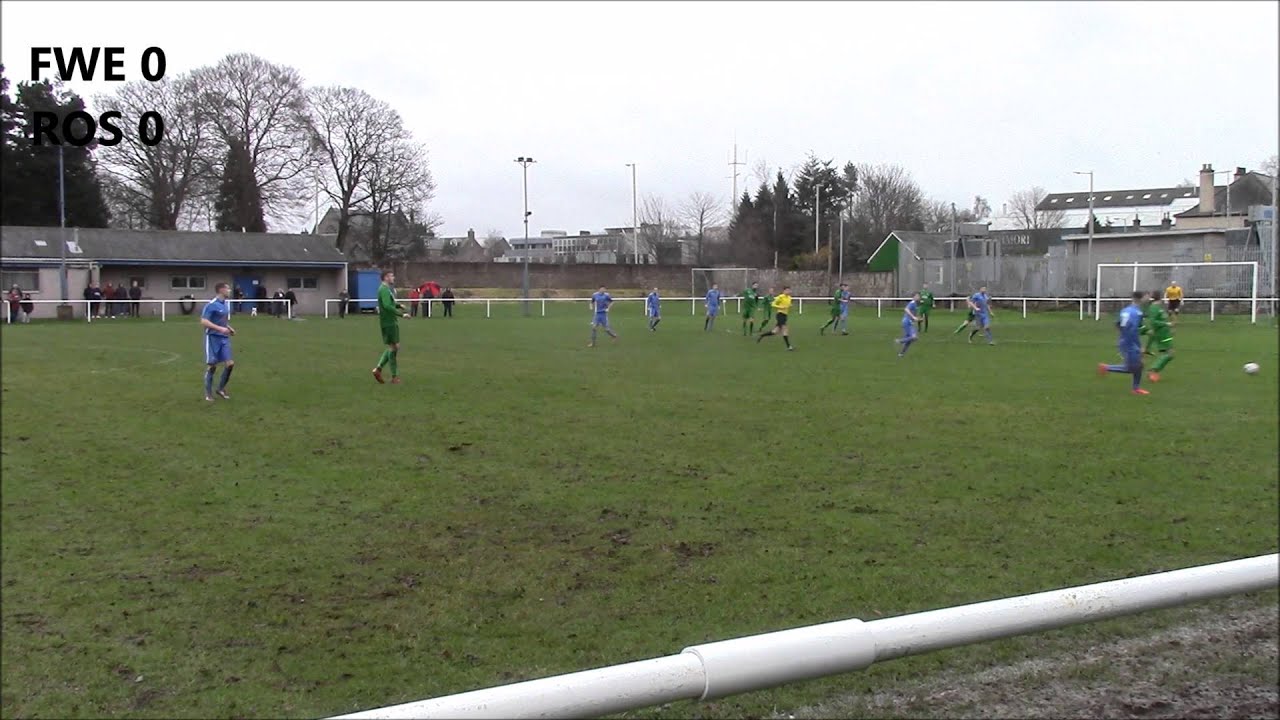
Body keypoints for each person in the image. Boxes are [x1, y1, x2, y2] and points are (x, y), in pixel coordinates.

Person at [1097, 291, 1150, 396]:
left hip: (1124, 340)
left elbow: (1117, 324)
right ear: (1141, 299)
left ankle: (1136, 389)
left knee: (1139, 365)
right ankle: (1106, 367)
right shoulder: (1137, 313)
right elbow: (1133, 330)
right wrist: (1139, 346)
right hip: (1130, 342)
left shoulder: (1125, 310)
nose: (1148, 299)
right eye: (1147, 297)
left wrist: (1123, 335)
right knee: (1131, 368)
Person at [199, 282, 237, 402]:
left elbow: (221, 321)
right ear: (221, 290)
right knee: (212, 367)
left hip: (224, 338)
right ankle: (208, 394)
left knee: (230, 364)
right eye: (228, 289)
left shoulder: (225, 304)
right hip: (212, 338)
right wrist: (220, 329)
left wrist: (229, 328)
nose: (230, 291)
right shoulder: (211, 305)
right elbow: (204, 321)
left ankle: (220, 389)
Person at [372, 270, 409, 384]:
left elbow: (389, 303)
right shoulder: (383, 289)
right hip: (389, 322)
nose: (393, 278)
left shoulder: (386, 289)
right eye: (391, 276)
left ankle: (391, 375)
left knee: (393, 347)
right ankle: (382, 370)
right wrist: (401, 314)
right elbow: (387, 306)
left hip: (389, 322)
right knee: (394, 347)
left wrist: (398, 305)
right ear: (386, 277)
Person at [1143, 289, 1175, 382]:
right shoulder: (1154, 308)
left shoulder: (1159, 307)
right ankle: (1153, 370)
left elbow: (1161, 319)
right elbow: (1153, 322)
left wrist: (1169, 327)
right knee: (1169, 353)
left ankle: (1153, 370)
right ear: (1160, 297)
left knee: (1169, 354)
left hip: (1165, 333)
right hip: (1161, 334)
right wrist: (1166, 324)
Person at [756, 285, 794, 350]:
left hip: (785, 315)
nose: (788, 291)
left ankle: (762, 335)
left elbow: (787, 305)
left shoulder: (789, 298)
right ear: (784, 291)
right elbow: (773, 304)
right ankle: (789, 346)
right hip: (780, 315)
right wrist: (780, 307)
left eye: (789, 290)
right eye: (787, 290)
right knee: (785, 329)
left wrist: (789, 305)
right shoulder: (780, 297)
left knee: (775, 332)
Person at [896, 292, 923, 357]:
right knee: (914, 337)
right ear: (913, 297)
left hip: (909, 322)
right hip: (907, 322)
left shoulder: (915, 304)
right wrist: (913, 317)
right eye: (917, 296)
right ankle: (900, 341)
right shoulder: (912, 303)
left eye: (919, 296)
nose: (918, 297)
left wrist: (918, 319)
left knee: (909, 340)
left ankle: (901, 354)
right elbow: (906, 309)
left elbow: (913, 316)